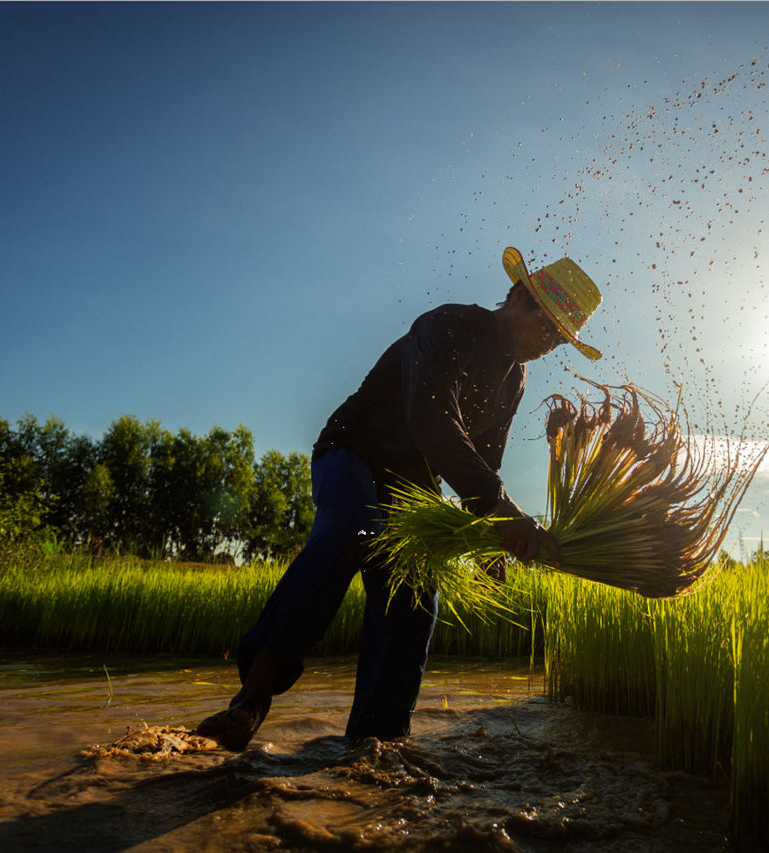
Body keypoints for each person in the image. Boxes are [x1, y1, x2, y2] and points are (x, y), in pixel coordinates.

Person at [195, 247, 603, 750]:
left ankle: (375, 745)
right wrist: (503, 509)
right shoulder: (447, 326)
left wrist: (487, 541)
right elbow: (432, 422)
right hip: (354, 453)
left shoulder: (514, 381)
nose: (549, 346)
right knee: (352, 532)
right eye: (547, 330)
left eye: (560, 341)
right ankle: (251, 700)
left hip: (412, 489)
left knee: (416, 598)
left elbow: (485, 462)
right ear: (519, 298)